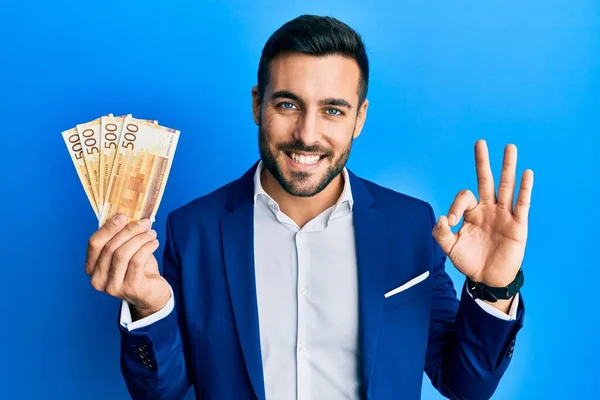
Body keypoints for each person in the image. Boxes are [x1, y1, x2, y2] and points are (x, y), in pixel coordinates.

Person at [84, 14, 533, 400]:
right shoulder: (194, 229)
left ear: (359, 118)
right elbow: (160, 391)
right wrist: (149, 310)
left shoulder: (410, 225)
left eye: (333, 110)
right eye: (287, 104)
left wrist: (495, 290)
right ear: (258, 105)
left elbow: (465, 385)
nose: (307, 133)